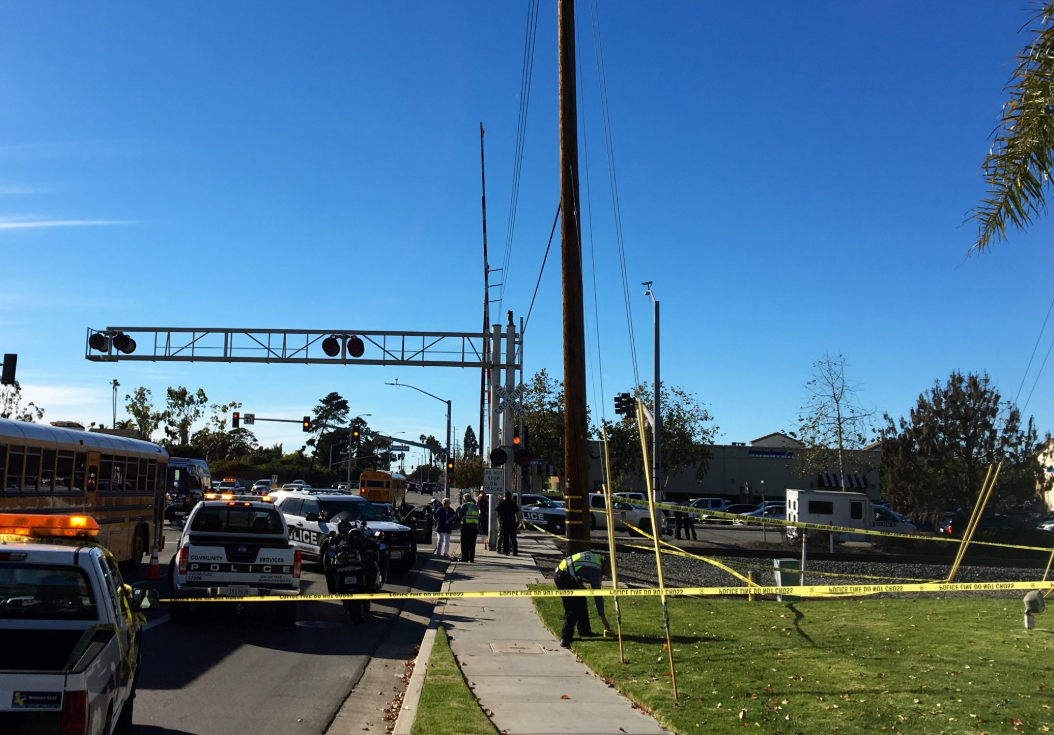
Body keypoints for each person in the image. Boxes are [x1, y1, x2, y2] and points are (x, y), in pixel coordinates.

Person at [553, 550, 611, 648]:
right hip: (563, 577)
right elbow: (597, 595)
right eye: (610, 571)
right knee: (573, 608)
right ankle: (565, 638)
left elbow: (577, 565)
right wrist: (603, 618)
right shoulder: (595, 570)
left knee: (581, 601)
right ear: (606, 564)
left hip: (565, 573)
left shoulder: (595, 558)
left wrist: (579, 583)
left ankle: (585, 631)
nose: (608, 574)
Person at [457, 492, 480, 562]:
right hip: (474, 526)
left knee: (465, 543)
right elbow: (478, 516)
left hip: (466, 526)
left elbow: (460, 515)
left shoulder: (465, 506)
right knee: (472, 543)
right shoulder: (475, 506)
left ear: (465, 499)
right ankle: (472, 558)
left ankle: (465, 557)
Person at [496, 491, 520, 556]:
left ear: (505, 496)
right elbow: (517, 513)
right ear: (510, 496)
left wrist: (500, 520)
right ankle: (515, 552)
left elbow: (497, 513)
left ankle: (506, 551)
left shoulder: (501, 503)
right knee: (513, 538)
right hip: (512, 521)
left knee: (505, 537)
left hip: (504, 521)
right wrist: (518, 521)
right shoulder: (513, 503)